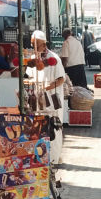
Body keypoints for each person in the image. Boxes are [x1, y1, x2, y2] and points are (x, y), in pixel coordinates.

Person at [25, 30, 65, 165]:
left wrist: (46, 87)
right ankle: (41, 158)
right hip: (38, 98)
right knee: (39, 127)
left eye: (36, 45)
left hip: (52, 99)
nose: (34, 48)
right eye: (32, 45)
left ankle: (54, 158)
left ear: (43, 45)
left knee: (54, 127)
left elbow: (60, 79)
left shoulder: (54, 58)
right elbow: (29, 76)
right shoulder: (32, 60)